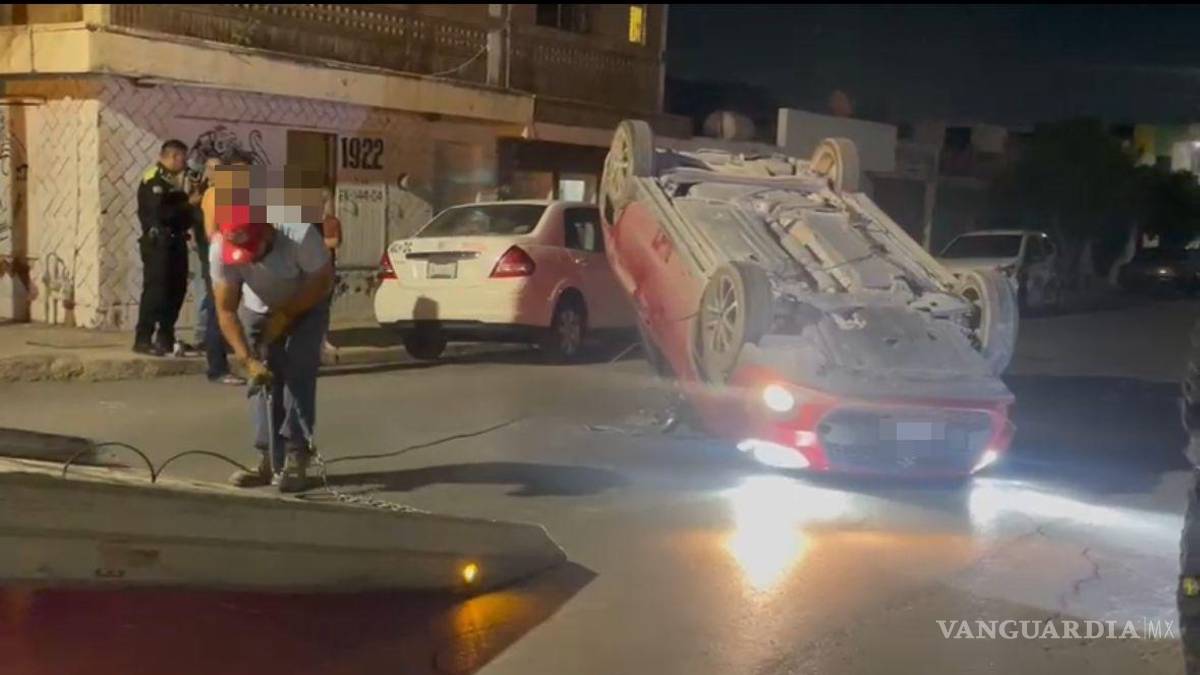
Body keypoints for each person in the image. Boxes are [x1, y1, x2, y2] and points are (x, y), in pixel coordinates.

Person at [211, 175, 333, 492]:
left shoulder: (299, 233)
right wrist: (247, 359)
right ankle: (267, 458)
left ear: (267, 229)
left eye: (254, 249)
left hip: (306, 302)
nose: (250, 258)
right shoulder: (221, 248)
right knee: (261, 380)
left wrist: (287, 314)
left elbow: (322, 281)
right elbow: (226, 310)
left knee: (296, 372)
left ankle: (296, 455)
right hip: (257, 305)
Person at [133, 139, 192, 356]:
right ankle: (143, 338)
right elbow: (160, 214)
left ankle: (166, 336)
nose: (185, 163)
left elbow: (181, 214)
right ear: (173, 156)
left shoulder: (173, 181)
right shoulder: (154, 179)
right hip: (159, 244)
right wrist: (189, 205)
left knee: (176, 290)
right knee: (156, 291)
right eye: (183, 158)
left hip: (176, 242)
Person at [193, 156, 245, 385]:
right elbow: (212, 231)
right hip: (223, 255)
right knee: (220, 310)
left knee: (230, 311)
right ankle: (218, 367)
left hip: (240, 256)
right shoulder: (216, 194)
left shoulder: (242, 195)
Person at [314, 186, 342, 357]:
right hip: (308, 270)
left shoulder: (332, 222)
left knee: (324, 306)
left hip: (326, 269)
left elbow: (335, 242)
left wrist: (313, 243)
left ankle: (323, 339)